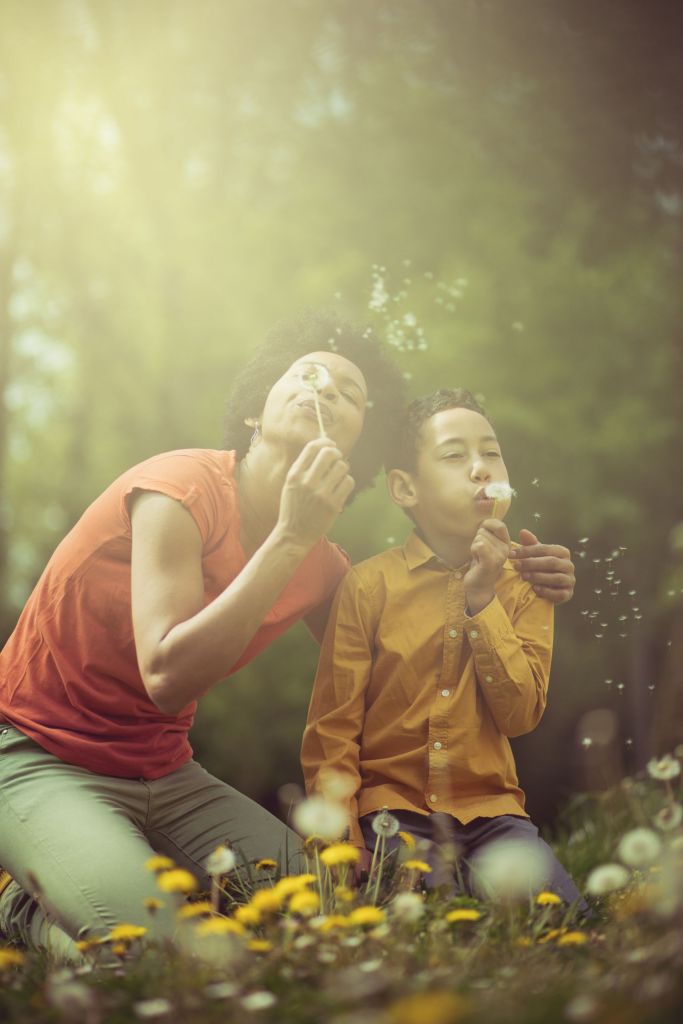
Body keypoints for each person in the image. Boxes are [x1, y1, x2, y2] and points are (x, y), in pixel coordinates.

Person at [0, 318, 575, 959]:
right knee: (169, 954)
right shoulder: (176, 490)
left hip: (164, 769)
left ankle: (73, 890)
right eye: (305, 373)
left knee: (333, 921)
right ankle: (21, 907)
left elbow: (407, 665)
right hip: (34, 755)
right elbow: (166, 677)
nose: (323, 387)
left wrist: (506, 584)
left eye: (349, 393)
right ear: (256, 410)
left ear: (357, 452)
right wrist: (291, 537)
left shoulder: (327, 570)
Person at [301, 388, 583, 907]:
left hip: (495, 816)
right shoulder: (367, 587)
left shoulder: (527, 581)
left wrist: (482, 599)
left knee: (563, 924)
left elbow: (520, 713)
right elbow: (333, 728)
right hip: (393, 815)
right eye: (455, 455)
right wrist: (342, 841)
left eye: (491, 452)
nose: (480, 468)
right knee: (427, 921)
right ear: (405, 488)